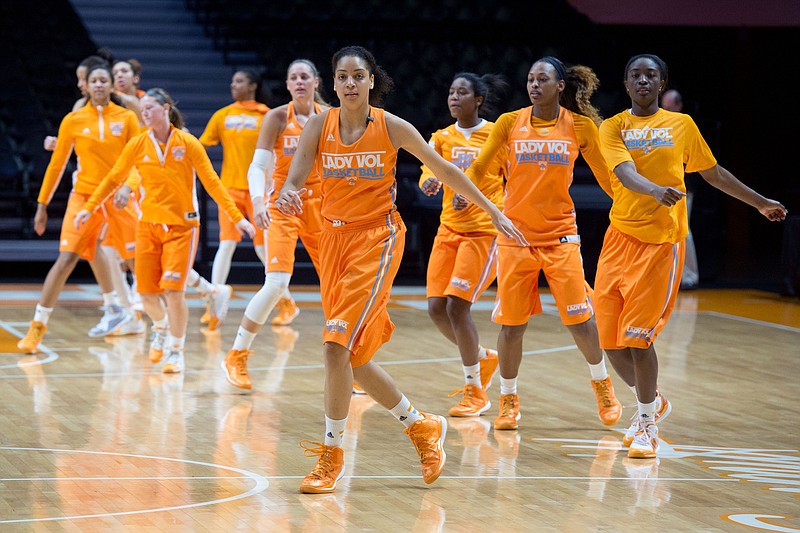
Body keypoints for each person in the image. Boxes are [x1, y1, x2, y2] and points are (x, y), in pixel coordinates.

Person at [275, 45, 526, 494]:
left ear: (373, 81)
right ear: (332, 84)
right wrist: (287, 193)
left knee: (335, 345)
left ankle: (332, 457)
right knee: (353, 356)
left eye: (359, 76)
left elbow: (444, 168)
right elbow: (295, 176)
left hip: (378, 239)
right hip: (333, 241)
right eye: (343, 77)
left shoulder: (392, 127)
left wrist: (493, 209)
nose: (350, 83)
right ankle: (420, 426)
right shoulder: (318, 124)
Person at [596, 54, 786, 459]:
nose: (643, 81)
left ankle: (646, 422)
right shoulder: (612, 127)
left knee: (638, 338)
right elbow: (625, 173)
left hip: (662, 243)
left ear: (662, 82)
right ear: (626, 83)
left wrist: (758, 202)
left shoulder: (681, 125)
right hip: (618, 241)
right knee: (610, 343)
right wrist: (653, 190)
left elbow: (713, 173)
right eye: (635, 75)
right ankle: (654, 401)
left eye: (651, 75)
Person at [465, 56, 623, 431]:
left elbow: (609, 181)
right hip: (515, 239)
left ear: (560, 86)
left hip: (560, 237)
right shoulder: (508, 123)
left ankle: (604, 387)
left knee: (580, 319)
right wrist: (489, 208)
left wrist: (631, 210)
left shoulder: (580, 127)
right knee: (512, 326)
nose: (534, 85)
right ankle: (508, 400)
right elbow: (476, 170)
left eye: (542, 80)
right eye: (530, 79)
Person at [75, 88, 255, 374]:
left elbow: (212, 182)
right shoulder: (137, 143)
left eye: (149, 108)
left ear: (166, 109)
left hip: (183, 227)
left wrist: (237, 218)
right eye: (142, 109)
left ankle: (176, 349)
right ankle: (160, 328)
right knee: (146, 295)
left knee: (173, 292)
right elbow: (113, 179)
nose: (144, 113)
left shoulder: (187, 142)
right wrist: (89, 207)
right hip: (147, 226)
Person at [17, 64, 142, 354]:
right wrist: (42, 204)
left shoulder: (126, 118)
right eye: (93, 80)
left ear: (111, 85)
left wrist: (128, 187)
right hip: (84, 197)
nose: (99, 85)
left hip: (119, 196)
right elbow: (57, 164)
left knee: (137, 262)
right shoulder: (73, 119)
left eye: (104, 80)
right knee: (67, 258)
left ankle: (161, 330)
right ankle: (37, 328)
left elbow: (138, 160)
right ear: (85, 84)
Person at [222, 59, 329, 390]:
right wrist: (257, 201)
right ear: (287, 84)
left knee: (337, 285)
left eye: (304, 76)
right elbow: (258, 166)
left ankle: (354, 362)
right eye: (293, 77)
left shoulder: (330, 117)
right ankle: (238, 353)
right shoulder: (277, 117)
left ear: (316, 82)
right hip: (283, 205)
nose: (299, 81)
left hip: (321, 207)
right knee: (277, 282)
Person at [418, 72, 507, 417]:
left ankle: (475, 392)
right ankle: (483, 358)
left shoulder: (496, 133)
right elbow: (430, 169)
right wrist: (429, 183)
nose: (454, 97)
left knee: (457, 306)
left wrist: (482, 201)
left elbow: (510, 178)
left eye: (462, 92)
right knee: (436, 308)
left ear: (478, 99)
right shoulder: (441, 137)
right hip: (448, 231)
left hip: (483, 233)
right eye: (451, 92)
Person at [198, 69, 271, 330]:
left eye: (239, 81)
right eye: (232, 81)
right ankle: (214, 304)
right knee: (226, 245)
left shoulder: (266, 116)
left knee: (263, 249)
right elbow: (200, 146)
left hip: (258, 191)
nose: (233, 85)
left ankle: (284, 298)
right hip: (229, 189)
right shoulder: (223, 115)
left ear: (252, 85)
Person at [661, 88, 700, 290]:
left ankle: (689, 276)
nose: (665, 110)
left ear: (679, 106)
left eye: (669, 107)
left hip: (683, 187)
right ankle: (673, 275)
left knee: (684, 230)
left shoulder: (684, 125)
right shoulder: (660, 125)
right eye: (663, 106)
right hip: (663, 188)